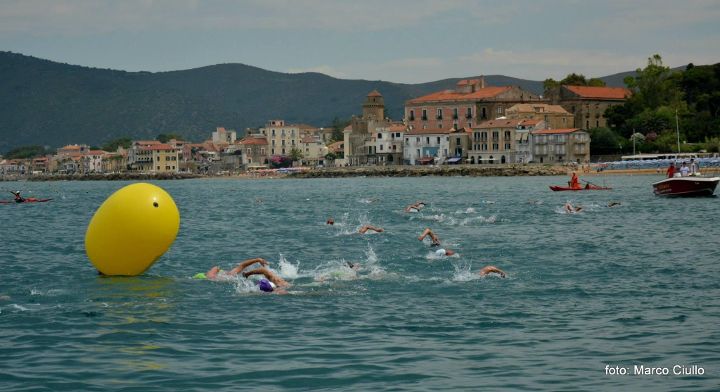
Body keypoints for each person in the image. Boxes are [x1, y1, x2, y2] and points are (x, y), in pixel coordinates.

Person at [194, 257, 268, 281]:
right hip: (211, 276)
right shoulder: (231, 275)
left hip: (211, 276)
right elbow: (242, 266)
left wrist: (257, 260)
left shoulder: (230, 275)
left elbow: (242, 266)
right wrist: (257, 260)